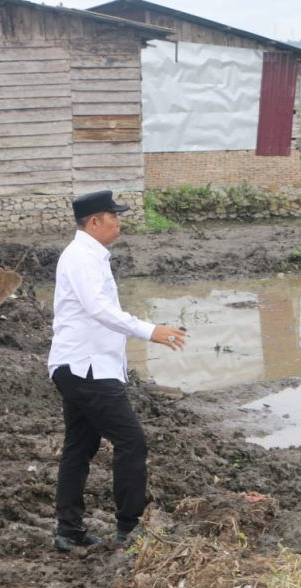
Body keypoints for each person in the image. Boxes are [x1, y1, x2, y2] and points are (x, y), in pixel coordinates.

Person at [48, 190, 188, 551]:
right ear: (94, 221)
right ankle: (130, 527)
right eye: (114, 216)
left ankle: (69, 530)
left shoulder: (91, 256)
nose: (119, 221)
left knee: (80, 445)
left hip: (83, 366)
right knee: (131, 441)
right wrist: (149, 330)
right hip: (86, 369)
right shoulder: (81, 256)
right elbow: (98, 309)